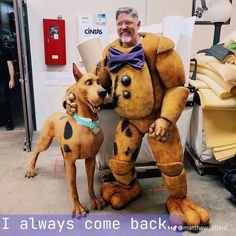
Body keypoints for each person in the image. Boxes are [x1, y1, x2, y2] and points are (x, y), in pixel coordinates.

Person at [65, 7, 210, 226]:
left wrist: (166, 118)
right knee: (120, 164)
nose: (124, 27)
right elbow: (95, 83)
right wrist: (70, 95)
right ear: (116, 27)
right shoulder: (109, 52)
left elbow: (178, 87)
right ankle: (129, 187)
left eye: (129, 23)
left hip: (157, 119)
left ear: (138, 25)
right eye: (120, 23)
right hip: (128, 122)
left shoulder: (158, 47)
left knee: (171, 166)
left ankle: (179, 199)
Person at [0, 41, 15, 130]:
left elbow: (10, 66)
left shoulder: (5, 51)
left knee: (4, 101)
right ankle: (2, 120)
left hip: (3, 80)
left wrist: (12, 79)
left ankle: (9, 122)